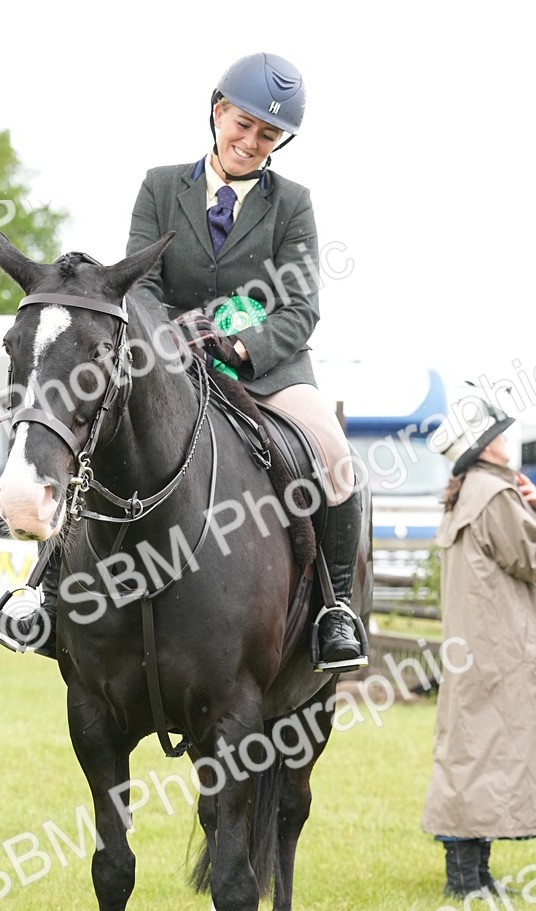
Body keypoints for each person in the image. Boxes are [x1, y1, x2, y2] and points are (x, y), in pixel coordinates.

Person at [124, 51, 367, 672]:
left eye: (267, 134)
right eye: (243, 125)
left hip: (269, 375)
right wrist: (168, 334)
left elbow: (300, 306)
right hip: (170, 362)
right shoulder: (159, 185)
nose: (252, 142)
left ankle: (335, 610)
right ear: (217, 113)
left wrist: (241, 347)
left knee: (338, 461)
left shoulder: (293, 203)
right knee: (93, 432)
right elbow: (139, 282)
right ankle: (45, 592)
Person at [423, 394, 536, 896]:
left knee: (476, 752)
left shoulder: (474, 490)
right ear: (483, 447)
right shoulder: (493, 493)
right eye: (499, 435)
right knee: (481, 754)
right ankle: (464, 880)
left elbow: (517, 550)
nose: (507, 441)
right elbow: (534, 560)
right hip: (498, 647)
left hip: (479, 645)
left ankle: (475, 874)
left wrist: (535, 506)